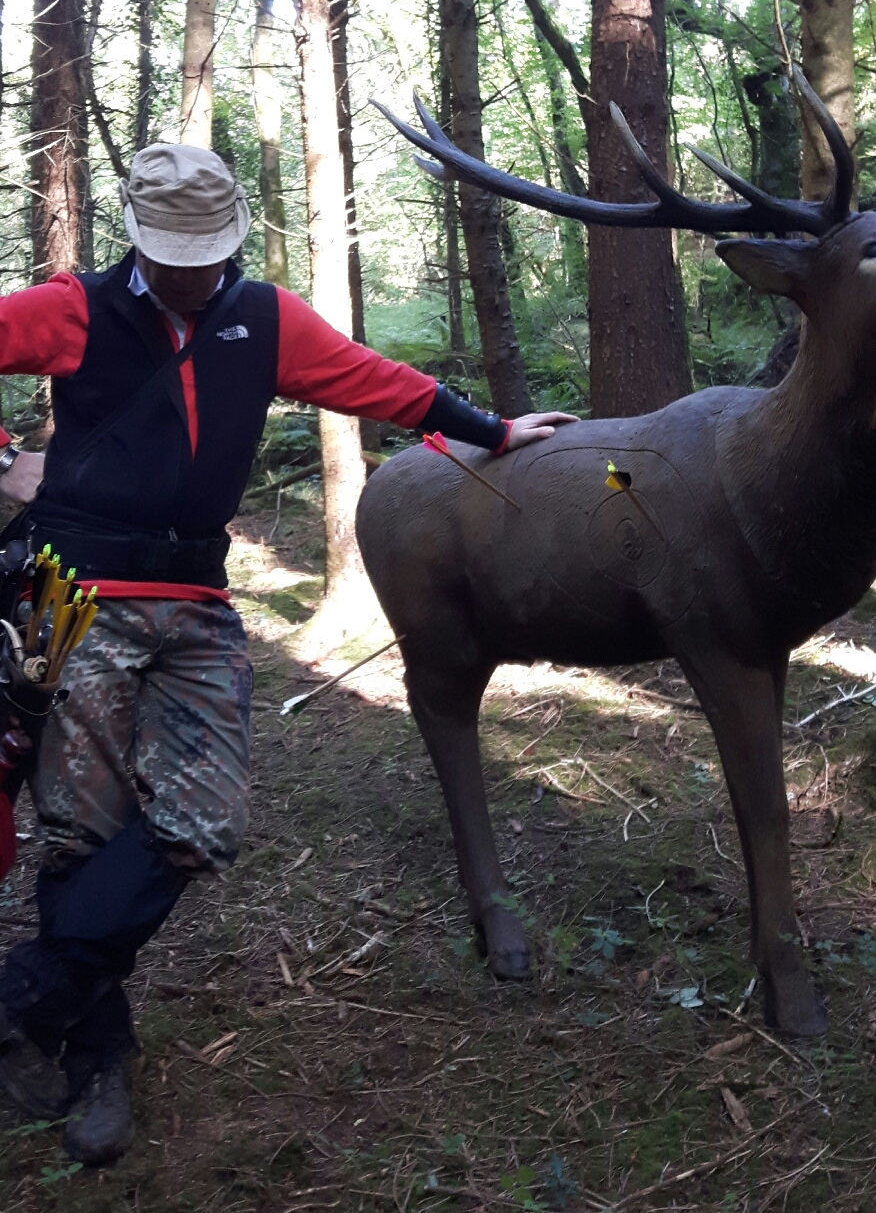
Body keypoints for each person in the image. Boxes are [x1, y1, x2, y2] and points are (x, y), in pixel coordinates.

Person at [0, 144, 573, 1163]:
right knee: (83, 835)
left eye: (205, 256)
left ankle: (25, 995)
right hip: (73, 599)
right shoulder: (76, 308)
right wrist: (6, 461)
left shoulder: (263, 317)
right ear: (138, 239)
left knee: (202, 823)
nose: (191, 274)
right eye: (172, 257)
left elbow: (373, 380)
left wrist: (492, 430)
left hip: (198, 600)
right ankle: (97, 1054)